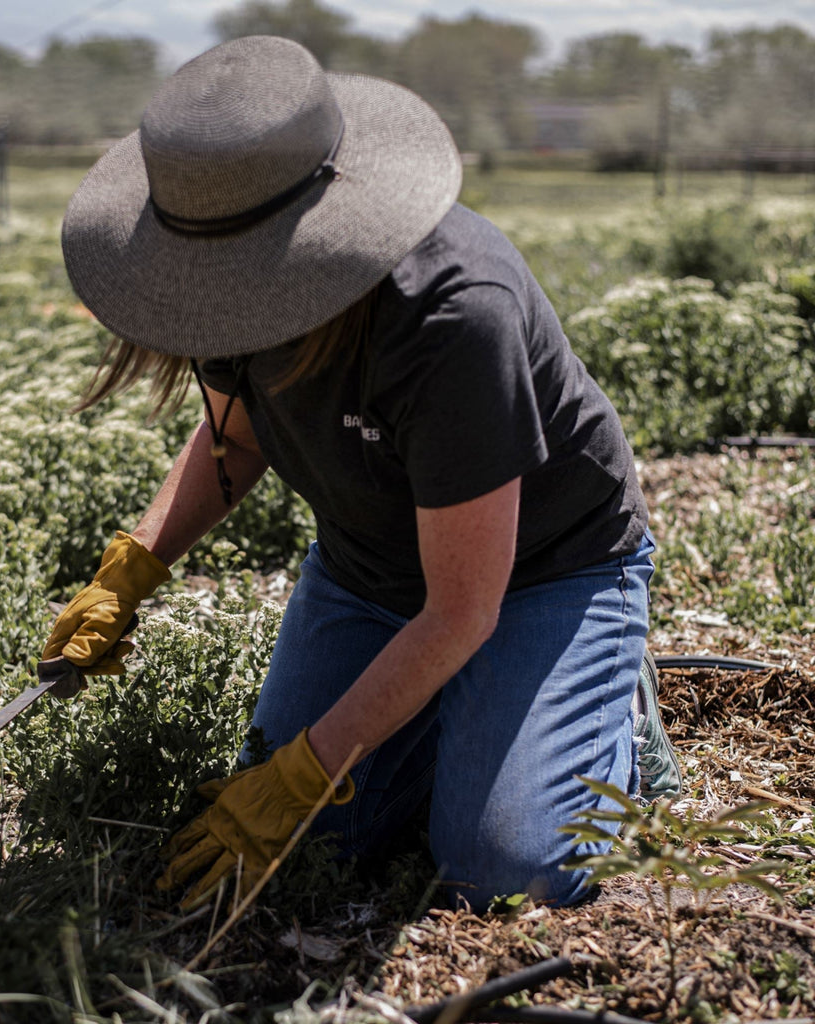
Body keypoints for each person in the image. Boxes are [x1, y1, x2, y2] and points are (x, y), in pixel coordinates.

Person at [41, 34, 682, 912]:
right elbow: (237, 439)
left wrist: (310, 767)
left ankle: (609, 715)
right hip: (370, 572)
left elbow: (463, 609)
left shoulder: (456, 315)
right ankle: (477, 723)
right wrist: (135, 565)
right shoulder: (227, 288)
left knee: (505, 868)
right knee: (316, 849)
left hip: (543, 576)